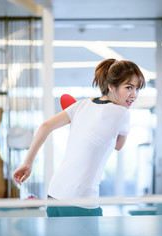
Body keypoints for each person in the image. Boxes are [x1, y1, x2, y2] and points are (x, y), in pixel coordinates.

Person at [12, 58, 145, 217]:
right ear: (111, 86)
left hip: (54, 194)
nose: (134, 94)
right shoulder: (123, 113)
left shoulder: (81, 105)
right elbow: (118, 145)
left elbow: (45, 126)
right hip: (81, 200)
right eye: (128, 87)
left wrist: (27, 163)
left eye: (137, 89)